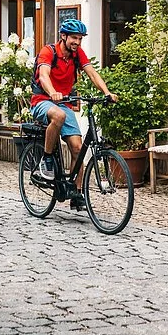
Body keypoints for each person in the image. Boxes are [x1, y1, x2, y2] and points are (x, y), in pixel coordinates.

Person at [30, 18, 116, 210]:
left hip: (64, 104)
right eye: (74, 38)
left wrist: (107, 92)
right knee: (58, 116)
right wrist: (52, 92)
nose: (77, 42)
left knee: (78, 149)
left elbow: (92, 73)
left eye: (80, 38)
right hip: (42, 101)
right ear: (63, 36)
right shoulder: (49, 52)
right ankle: (47, 157)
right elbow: (43, 75)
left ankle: (76, 194)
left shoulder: (78, 54)